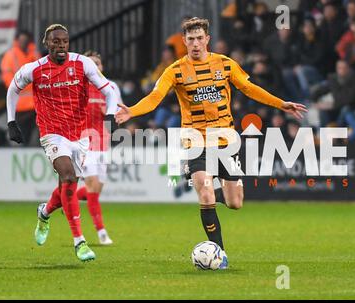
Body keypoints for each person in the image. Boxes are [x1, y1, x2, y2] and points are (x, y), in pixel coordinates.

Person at [115, 17, 307, 269]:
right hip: (194, 140)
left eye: (199, 38)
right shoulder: (174, 70)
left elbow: (250, 89)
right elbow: (155, 97)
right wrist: (133, 111)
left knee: (235, 202)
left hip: (225, 140)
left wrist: (281, 103)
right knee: (205, 192)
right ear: (184, 41)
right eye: (190, 39)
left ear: (207, 39)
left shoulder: (225, 64)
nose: (195, 43)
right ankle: (221, 255)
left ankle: (211, 193)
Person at [6, 24, 119, 262]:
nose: (61, 46)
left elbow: (108, 90)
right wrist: (11, 121)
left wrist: (110, 116)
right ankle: (79, 241)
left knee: (66, 187)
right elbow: (13, 89)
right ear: (46, 43)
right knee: (68, 177)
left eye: (64, 42)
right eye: (56, 42)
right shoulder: (34, 69)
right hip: (52, 133)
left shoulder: (82, 64)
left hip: (79, 136)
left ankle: (45, 212)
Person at [40, 50, 122, 245]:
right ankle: (101, 233)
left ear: (102, 67)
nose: (95, 67)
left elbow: (118, 112)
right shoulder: (77, 86)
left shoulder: (111, 87)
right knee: (92, 186)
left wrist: (111, 113)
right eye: (91, 63)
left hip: (104, 143)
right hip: (83, 142)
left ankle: (56, 202)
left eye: (98, 63)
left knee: (94, 190)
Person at [1, 30, 40, 146]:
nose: (23, 43)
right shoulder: (10, 55)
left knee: (42, 135)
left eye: (25, 40)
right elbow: (7, 78)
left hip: (36, 104)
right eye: (21, 40)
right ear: (17, 41)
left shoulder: (35, 54)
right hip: (21, 106)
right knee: (24, 136)